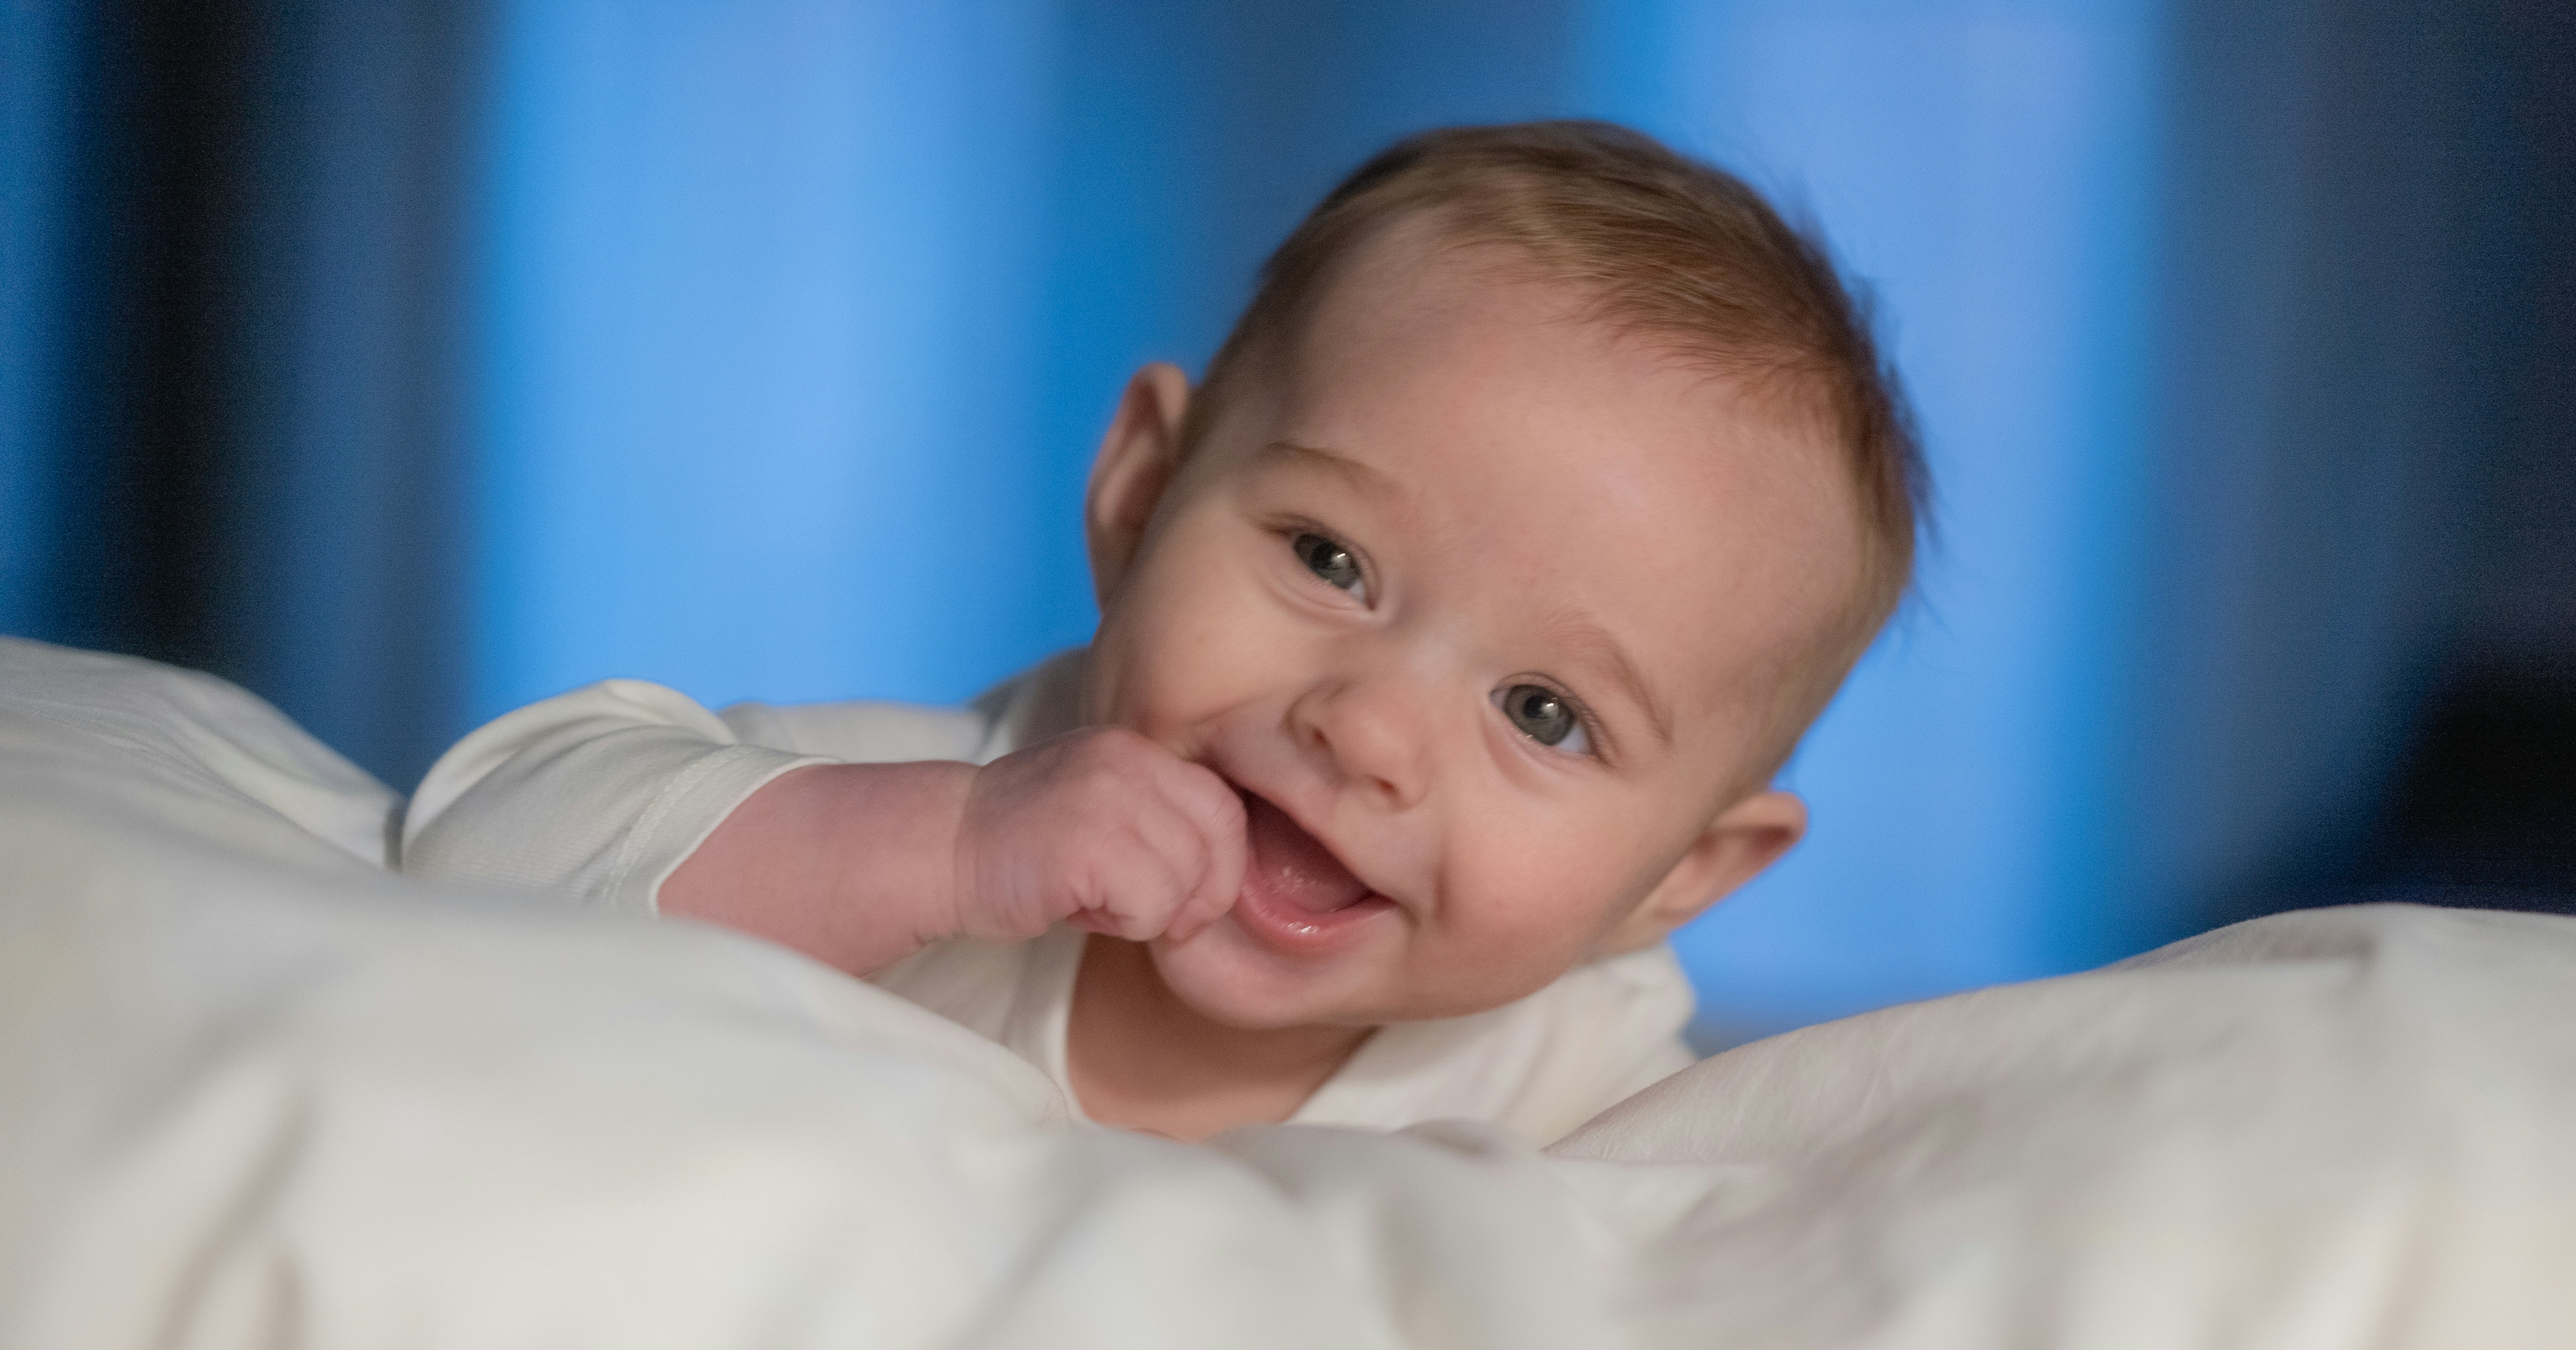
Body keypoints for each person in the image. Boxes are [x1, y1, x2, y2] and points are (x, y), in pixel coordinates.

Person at [401, 121, 1926, 1143]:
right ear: (1140, 497)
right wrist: (933, 850)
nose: (1370, 729)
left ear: (1682, 875)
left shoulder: (1588, 1104)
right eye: (1330, 558)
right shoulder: (940, 808)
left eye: (1543, 713)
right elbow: (485, 837)